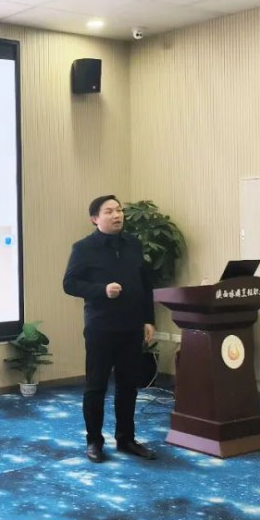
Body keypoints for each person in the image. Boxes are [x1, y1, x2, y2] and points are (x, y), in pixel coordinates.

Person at [63, 195, 157, 463]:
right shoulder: (84, 248)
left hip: (131, 326)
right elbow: (70, 284)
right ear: (95, 218)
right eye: (109, 211)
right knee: (96, 386)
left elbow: (145, 285)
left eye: (119, 210)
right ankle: (94, 441)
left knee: (128, 386)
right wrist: (101, 290)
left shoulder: (133, 244)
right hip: (101, 327)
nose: (117, 215)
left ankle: (126, 439)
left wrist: (148, 319)